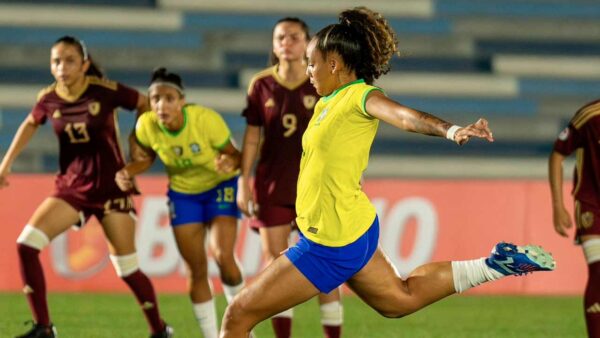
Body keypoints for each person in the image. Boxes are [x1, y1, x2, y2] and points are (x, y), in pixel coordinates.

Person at [219, 7, 556, 337]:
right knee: (399, 299)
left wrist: (450, 130)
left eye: (312, 62)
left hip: (329, 242)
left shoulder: (360, 96)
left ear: (333, 64)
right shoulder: (326, 101)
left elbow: (406, 117)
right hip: (351, 227)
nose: (307, 69)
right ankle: (496, 264)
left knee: (237, 315)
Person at [0, 36, 172, 338]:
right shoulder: (48, 99)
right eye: (56, 61)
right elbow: (30, 123)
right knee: (26, 245)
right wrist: (6, 163)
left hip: (111, 189)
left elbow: (145, 105)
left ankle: (159, 330)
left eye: (69, 60)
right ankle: (44, 328)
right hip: (71, 189)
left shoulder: (105, 91)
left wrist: (139, 145)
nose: (62, 67)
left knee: (127, 269)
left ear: (85, 64)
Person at [115, 68, 245, 338]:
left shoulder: (206, 120)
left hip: (220, 187)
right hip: (184, 194)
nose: (161, 105)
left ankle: (243, 326)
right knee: (196, 270)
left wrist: (228, 161)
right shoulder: (146, 125)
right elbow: (148, 157)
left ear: (182, 101)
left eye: (169, 98)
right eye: (155, 99)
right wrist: (129, 170)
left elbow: (238, 156)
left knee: (223, 257)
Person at [237, 17, 342, 338]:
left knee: (325, 265)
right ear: (273, 45)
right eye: (281, 37)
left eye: (294, 37)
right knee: (276, 264)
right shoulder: (260, 85)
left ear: (308, 43)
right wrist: (244, 182)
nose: (287, 42)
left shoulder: (324, 83)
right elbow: (252, 137)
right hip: (272, 185)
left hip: (317, 186)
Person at [549, 99, 600, 338]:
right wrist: (558, 206)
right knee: (599, 272)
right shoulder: (589, 116)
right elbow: (558, 155)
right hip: (593, 206)